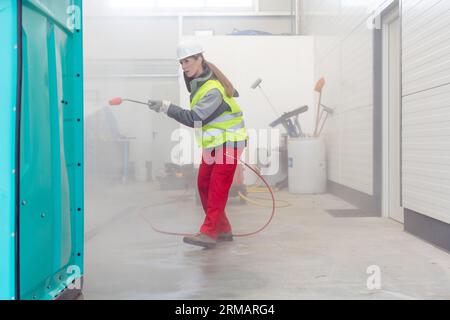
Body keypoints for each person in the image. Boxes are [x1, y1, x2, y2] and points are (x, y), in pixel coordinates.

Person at [147, 40, 248, 248]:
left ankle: (209, 233)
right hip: (215, 144)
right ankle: (223, 229)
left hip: (230, 142)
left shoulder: (212, 89)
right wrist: (164, 108)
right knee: (203, 184)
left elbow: (194, 118)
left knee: (218, 187)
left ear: (200, 59)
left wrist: (166, 107)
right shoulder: (200, 85)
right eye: (181, 62)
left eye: (187, 61)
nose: (184, 66)